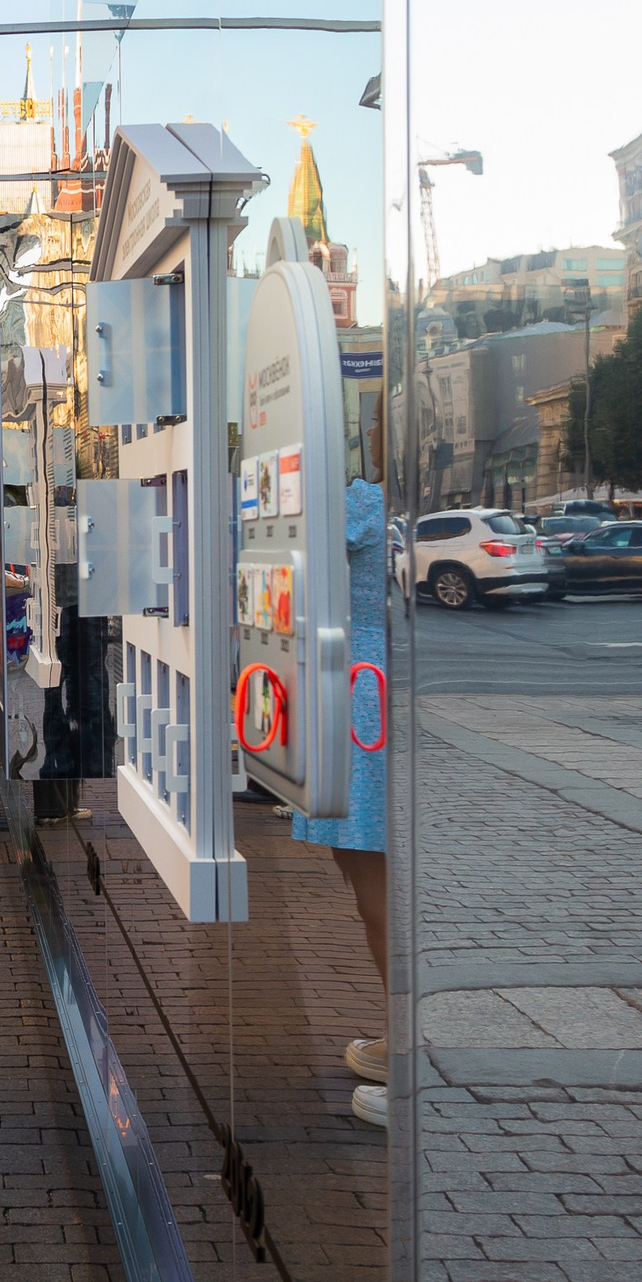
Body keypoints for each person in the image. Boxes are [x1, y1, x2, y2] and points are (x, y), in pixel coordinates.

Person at [293, 475, 391, 1128]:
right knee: (365, 881)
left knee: (379, 886)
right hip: (357, 685)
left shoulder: (360, 500)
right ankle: (401, 1029)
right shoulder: (368, 496)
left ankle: (417, 1050)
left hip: (364, 691)